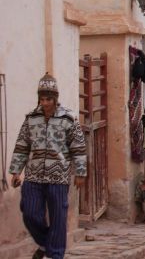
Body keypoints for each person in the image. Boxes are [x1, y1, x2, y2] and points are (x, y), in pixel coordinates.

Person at [9, 73, 87, 259]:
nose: (45, 103)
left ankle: (55, 255)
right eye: (42, 99)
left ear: (55, 98)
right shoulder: (30, 119)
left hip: (59, 177)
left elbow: (78, 147)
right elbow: (22, 145)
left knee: (58, 218)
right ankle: (45, 244)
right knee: (29, 213)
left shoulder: (68, 119)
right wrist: (16, 171)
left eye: (48, 99)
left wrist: (80, 173)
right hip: (33, 176)